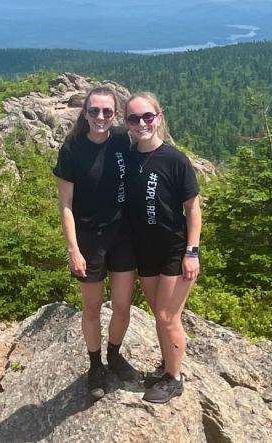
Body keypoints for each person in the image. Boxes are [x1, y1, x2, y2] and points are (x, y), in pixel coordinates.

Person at [53, 86, 140, 400]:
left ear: (114, 114)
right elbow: (65, 204)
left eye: (107, 112)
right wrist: (73, 250)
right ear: (84, 113)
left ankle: (114, 356)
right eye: (94, 111)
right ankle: (95, 366)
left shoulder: (120, 139)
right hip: (89, 240)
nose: (100, 117)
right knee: (90, 308)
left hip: (122, 236)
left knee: (121, 305)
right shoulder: (72, 150)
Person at [124, 92, 201, 404]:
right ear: (127, 123)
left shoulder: (175, 160)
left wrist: (192, 252)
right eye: (133, 118)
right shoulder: (128, 157)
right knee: (160, 315)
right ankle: (168, 366)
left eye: (147, 117)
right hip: (146, 251)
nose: (142, 123)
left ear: (159, 116)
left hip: (174, 250)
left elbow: (193, 208)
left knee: (168, 317)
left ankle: (174, 378)